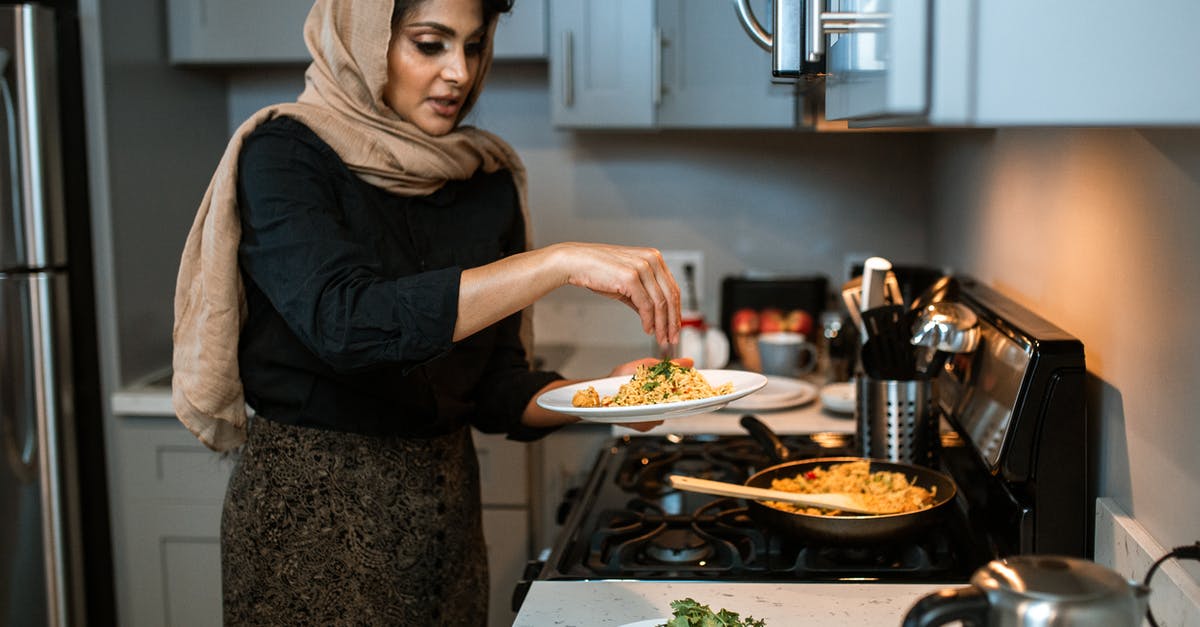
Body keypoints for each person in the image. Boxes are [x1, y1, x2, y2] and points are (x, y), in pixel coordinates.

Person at [170, 0, 683, 624]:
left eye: (473, 45)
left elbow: (494, 387)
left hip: (446, 519)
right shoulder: (286, 154)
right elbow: (348, 325)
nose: (460, 73)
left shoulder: (484, 179)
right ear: (362, 39)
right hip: (309, 524)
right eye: (430, 44)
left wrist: (608, 396)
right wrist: (557, 262)